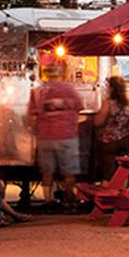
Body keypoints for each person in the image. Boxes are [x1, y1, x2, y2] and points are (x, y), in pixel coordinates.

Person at [28, 66, 83, 206]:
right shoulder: (69, 89)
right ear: (60, 74)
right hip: (67, 136)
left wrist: (37, 131)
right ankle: (69, 199)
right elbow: (80, 108)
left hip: (45, 137)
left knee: (47, 172)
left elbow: (30, 116)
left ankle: (48, 200)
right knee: (69, 172)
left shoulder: (37, 92)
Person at [94, 76, 129, 181]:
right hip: (125, 142)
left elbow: (99, 122)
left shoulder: (108, 103)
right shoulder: (128, 104)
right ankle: (120, 189)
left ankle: (107, 189)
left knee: (108, 173)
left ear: (112, 89)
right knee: (121, 173)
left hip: (109, 143)